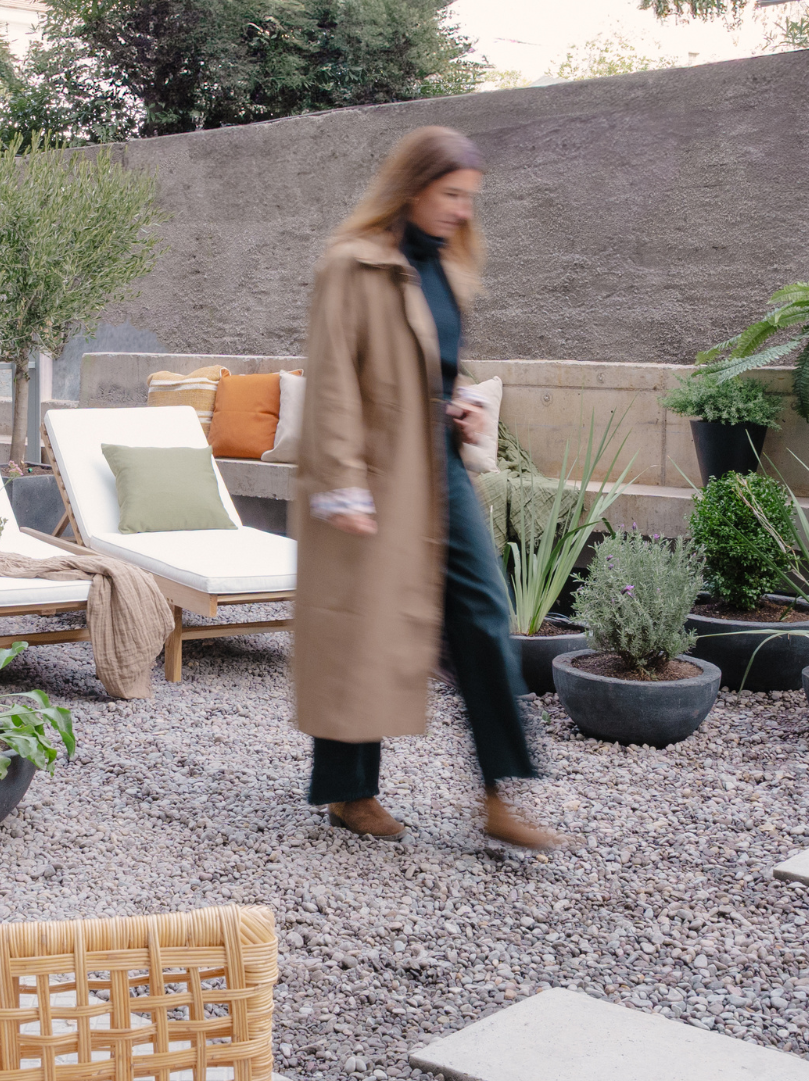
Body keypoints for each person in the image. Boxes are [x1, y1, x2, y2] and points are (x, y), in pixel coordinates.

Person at [291, 126, 561, 849]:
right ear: (411, 188)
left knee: (484, 611)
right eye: (451, 195)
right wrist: (342, 484)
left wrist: (460, 397)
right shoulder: (353, 264)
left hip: (438, 465)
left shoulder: (446, 265)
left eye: (470, 198)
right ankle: (350, 791)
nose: (462, 211)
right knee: (361, 626)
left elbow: (431, 363)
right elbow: (332, 379)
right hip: (375, 474)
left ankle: (499, 794)